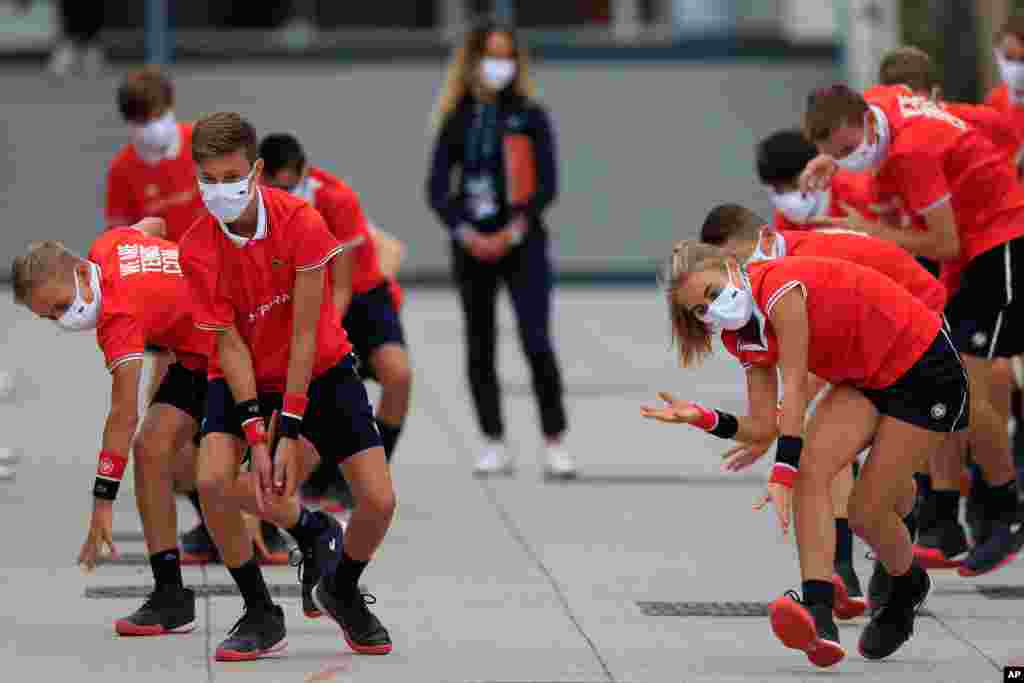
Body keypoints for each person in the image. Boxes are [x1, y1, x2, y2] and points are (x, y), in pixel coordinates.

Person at [644, 241, 967, 666]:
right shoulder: (738, 337)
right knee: (814, 473)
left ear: (729, 267)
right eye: (702, 312)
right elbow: (762, 425)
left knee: (864, 512)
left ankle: (907, 586)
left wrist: (781, 475)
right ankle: (819, 614)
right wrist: (702, 416)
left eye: (712, 293)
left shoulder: (780, 289)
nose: (713, 310)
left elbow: (795, 386)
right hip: (867, 379)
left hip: (926, 370)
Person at [9, 218, 332, 641]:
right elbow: (155, 225)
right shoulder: (110, 245)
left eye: (59, 305)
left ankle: (298, 553)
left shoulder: (118, 317)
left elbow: (122, 415)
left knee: (220, 484)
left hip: (241, 354)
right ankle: (170, 595)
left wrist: (102, 502)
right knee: (152, 449)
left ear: (81, 276)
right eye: (48, 316)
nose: (61, 319)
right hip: (197, 355)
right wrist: (175, 293)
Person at [179, 112, 395, 659]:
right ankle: (259, 608)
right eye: (210, 180)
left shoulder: (301, 220)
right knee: (211, 481)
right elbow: (227, 345)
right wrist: (256, 433)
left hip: (319, 367)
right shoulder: (197, 248)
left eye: (233, 178)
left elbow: (305, 332)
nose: (222, 191)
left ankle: (342, 588)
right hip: (243, 370)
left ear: (255, 171)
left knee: (378, 501)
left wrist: (290, 427)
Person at [802, 83, 1024, 576]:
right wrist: (832, 162)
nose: (845, 160)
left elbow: (943, 241)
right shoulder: (877, 100)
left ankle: (1005, 509)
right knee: (951, 382)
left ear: (866, 125)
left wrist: (873, 232)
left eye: (845, 151)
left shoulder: (911, 155)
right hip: (973, 250)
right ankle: (953, 518)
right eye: (832, 154)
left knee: (970, 386)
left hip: (1000, 242)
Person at [700, 203, 949, 614]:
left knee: (861, 458)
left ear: (762, 239)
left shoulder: (799, 269)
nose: (732, 277)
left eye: (736, 261)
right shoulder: (775, 269)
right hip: (865, 342)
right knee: (830, 453)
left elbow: (805, 375)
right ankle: (845, 566)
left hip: (920, 328)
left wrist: (776, 426)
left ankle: (867, 561)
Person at [104, 66, 284, 564]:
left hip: (227, 308)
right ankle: (212, 521)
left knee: (236, 427)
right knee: (166, 439)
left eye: (156, 114)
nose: (150, 126)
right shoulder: (124, 170)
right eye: (139, 119)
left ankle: (260, 524)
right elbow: (125, 246)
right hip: (174, 319)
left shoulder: (199, 149)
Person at [426, 21, 574, 478]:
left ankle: (554, 441)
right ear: (472, 61)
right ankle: (493, 441)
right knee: (479, 344)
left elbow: (548, 184)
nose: (499, 65)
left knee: (536, 341)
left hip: (522, 243)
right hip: (471, 247)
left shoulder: (531, 115)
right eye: (491, 55)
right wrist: (466, 232)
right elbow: (436, 188)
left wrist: (513, 230)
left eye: (507, 56)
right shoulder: (456, 118)